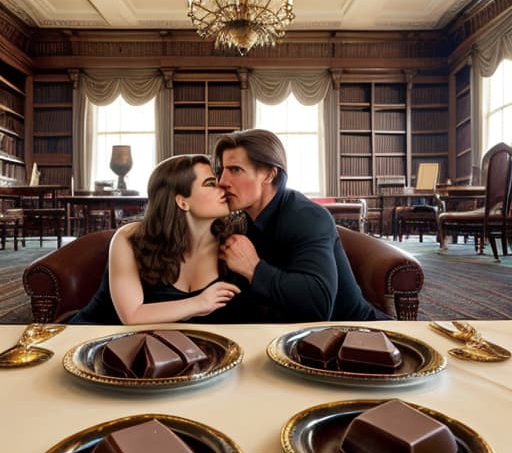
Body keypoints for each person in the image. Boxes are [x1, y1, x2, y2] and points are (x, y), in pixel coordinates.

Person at [214, 128, 390, 322]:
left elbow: (318, 306)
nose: (222, 181)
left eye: (235, 170)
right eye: (222, 170)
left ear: (269, 174)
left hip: (356, 336)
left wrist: (254, 269)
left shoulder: (307, 217)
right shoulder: (243, 220)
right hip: (288, 336)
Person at [68, 154, 241, 324]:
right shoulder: (129, 238)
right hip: (93, 337)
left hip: (169, 347)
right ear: (182, 202)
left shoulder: (231, 242)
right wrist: (199, 303)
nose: (223, 187)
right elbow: (132, 316)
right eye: (210, 183)